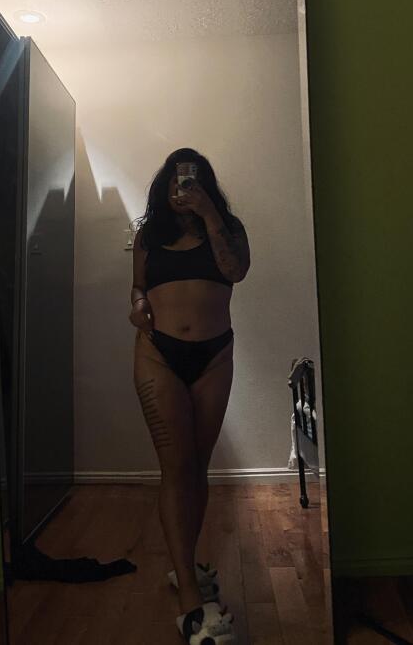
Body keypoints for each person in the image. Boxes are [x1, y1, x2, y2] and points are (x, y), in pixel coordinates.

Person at [130, 148, 250, 644]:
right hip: (158, 355)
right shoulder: (149, 236)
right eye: (178, 180)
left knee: (197, 467)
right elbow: (137, 287)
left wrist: (209, 214)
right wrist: (138, 304)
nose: (185, 187)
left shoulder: (229, 228)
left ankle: (186, 568)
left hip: (214, 356)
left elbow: (235, 271)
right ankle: (189, 605)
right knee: (176, 467)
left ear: (206, 184)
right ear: (165, 185)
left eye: (194, 180)